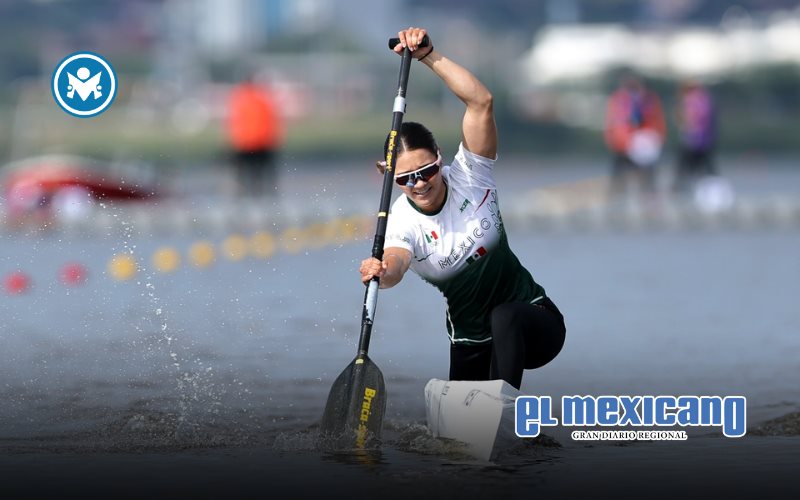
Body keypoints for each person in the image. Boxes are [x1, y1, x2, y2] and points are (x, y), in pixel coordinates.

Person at [359, 27, 566, 390]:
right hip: (471, 341)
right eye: (406, 178)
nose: (419, 183)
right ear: (387, 174)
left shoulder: (473, 176)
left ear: (441, 159)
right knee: (458, 444)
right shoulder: (402, 222)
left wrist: (427, 56)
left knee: (504, 317)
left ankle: (502, 411)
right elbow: (396, 266)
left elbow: (481, 102)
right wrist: (380, 271)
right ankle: (516, 433)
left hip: (534, 323)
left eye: (427, 171)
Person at [604, 72, 667, 199]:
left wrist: (657, 138)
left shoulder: (649, 98)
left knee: (647, 172)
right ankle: (617, 194)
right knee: (620, 169)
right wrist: (613, 138)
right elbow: (612, 121)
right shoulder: (618, 99)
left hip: (643, 142)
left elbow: (657, 120)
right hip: (623, 142)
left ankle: (649, 196)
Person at [225, 75, 284, 197]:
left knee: (243, 174)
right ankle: (266, 196)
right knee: (263, 174)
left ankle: (244, 195)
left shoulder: (239, 99)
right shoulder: (263, 98)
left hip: (245, 143)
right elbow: (272, 121)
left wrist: (234, 141)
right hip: (263, 142)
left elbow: (234, 122)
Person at [673, 80, 717, 194]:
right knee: (706, 167)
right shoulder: (705, 98)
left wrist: (684, 123)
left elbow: (689, 119)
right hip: (705, 139)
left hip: (694, 139)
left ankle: (680, 189)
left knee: (686, 166)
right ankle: (712, 189)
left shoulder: (691, 100)